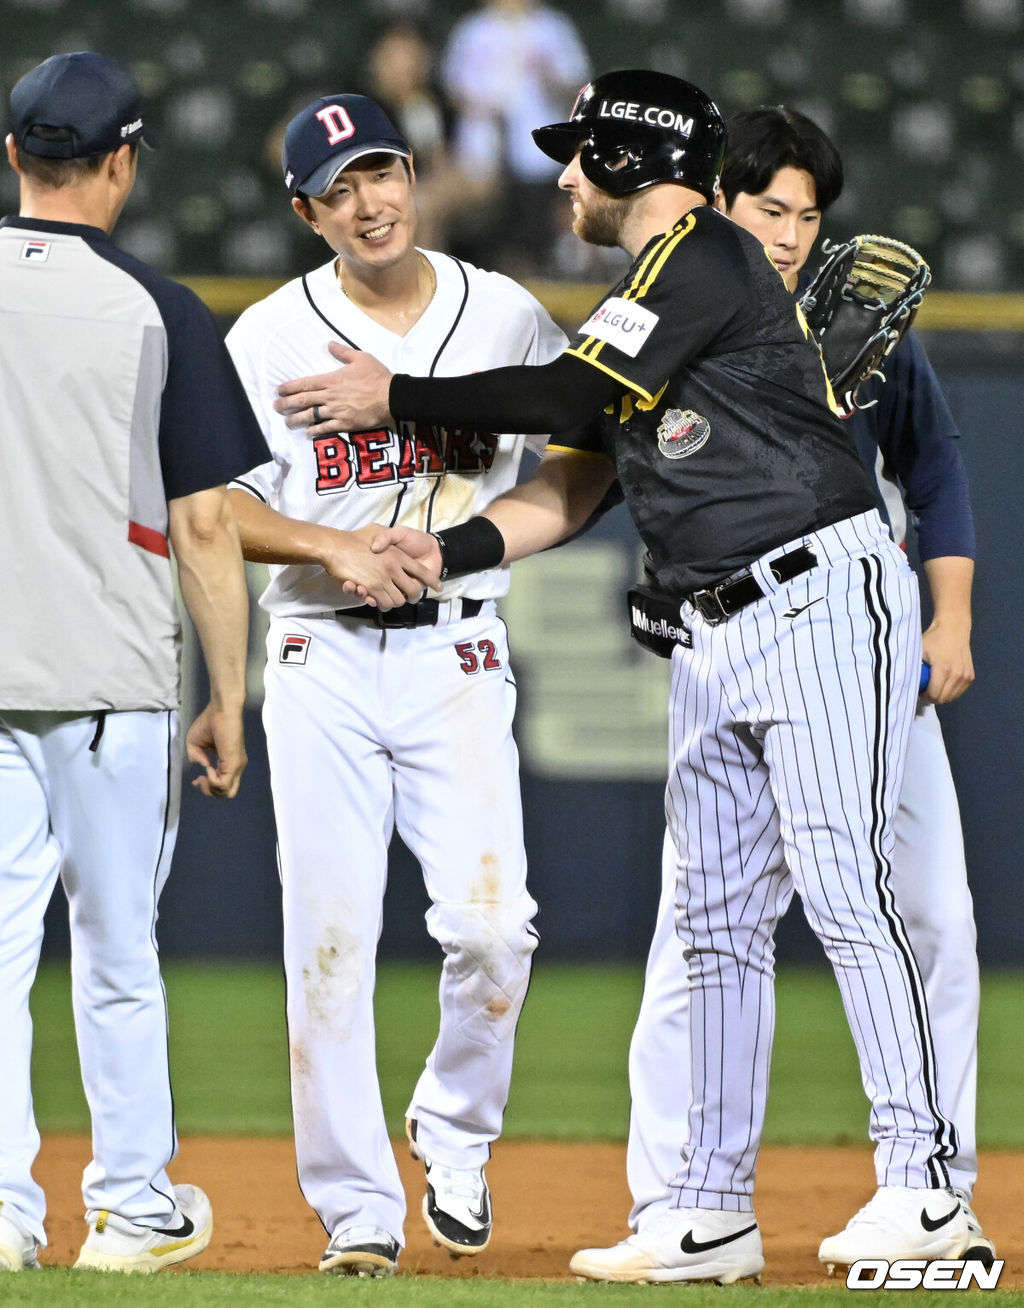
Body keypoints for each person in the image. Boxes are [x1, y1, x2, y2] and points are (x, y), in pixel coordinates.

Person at [274, 68, 974, 1283]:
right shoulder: (649, 290)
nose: (562, 180)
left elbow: (563, 396)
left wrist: (394, 392)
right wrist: (441, 552)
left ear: (632, 160)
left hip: (811, 590)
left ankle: (924, 1191)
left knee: (848, 892)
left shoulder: (698, 254)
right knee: (713, 932)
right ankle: (706, 1207)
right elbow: (566, 482)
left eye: (578, 156)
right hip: (718, 624)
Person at [625, 103, 994, 1268]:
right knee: (701, 929)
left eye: (807, 214)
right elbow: (637, 468)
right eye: (767, 206)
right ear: (716, 205)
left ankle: (935, 1178)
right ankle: (675, 1193)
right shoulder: (681, 314)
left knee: (924, 910)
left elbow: (933, 468)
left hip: (860, 635)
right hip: (738, 638)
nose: (788, 234)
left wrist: (950, 615)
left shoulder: (861, 324)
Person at [224, 92, 567, 1278]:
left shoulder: (504, 312)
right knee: (325, 941)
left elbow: (577, 476)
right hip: (319, 655)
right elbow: (215, 508)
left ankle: (455, 1128)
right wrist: (333, 548)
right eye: (337, 189)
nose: (367, 203)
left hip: (457, 649)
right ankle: (356, 1212)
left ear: (414, 175)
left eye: (381, 174)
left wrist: (465, 548)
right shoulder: (268, 334)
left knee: (493, 930)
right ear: (305, 213)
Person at [0, 53, 269, 1274]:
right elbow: (208, 525)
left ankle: (4, 1215)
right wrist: (231, 691)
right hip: (111, 688)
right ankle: (129, 1208)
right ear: (122, 161)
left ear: (14, 157)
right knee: (115, 956)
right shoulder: (162, 308)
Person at [440, 0, 590, 275]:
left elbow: (578, 87)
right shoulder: (473, 29)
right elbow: (453, 89)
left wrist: (550, 77)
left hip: (543, 153)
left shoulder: (553, 27)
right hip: (481, 151)